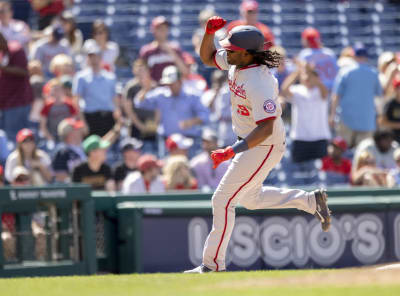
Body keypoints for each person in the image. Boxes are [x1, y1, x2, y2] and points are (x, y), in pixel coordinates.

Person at [184, 17, 331, 273]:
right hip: (252, 141)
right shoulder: (236, 61)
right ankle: (310, 201)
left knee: (222, 200)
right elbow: (207, 58)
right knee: (250, 199)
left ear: (248, 54)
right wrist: (209, 33)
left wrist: (232, 151)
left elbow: (266, 128)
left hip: (265, 144)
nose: (225, 51)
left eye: (232, 49)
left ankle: (212, 265)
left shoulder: (261, 82)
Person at [136, 65, 209, 157]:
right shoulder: (161, 94)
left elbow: (205, 116)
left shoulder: (192, 96)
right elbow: (140, 103)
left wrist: (191, 122)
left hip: (188, 142)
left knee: (189, 169)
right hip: (167, 142)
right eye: (168, 84)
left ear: (180, 81)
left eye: (172, 83)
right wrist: (146, 89)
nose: (170, 86)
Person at [330, 42, 382, 149]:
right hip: (367, 120)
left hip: (347, 119)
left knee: (342, 152)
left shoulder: (345, 72)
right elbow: (378, 98)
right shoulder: (373, 73)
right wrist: (379, 115)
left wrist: (332, 115)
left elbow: (336, 96)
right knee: (364, 154)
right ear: (366, 57)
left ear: (354, 55)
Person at [280, 61, 330, 163]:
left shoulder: (320, 90)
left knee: (321, 175)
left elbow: (325, 93)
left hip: (320, 138)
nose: (307, 78)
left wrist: (311, 73)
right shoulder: (297, 90)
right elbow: (284, 89)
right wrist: (298, 72)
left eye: (310, 75)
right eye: (305, 76)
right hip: (300, 138)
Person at [73, 43, 120, 137]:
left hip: (108, 118)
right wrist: (82, 122)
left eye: (96, 56)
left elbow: (115, 99)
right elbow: (76, 101)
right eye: (91, 56)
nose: (94, 59)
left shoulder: (110, 77)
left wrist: (118, 120)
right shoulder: (81, 77)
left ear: (101, 57)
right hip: (90, 118)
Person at [0, 32, 33, 142]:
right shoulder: (2, 52)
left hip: (17, 102)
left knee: (14, 137)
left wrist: (3, 67)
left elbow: (24, 71)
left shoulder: (16, 49)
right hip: (4, 103)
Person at [122, 59, 157, 152]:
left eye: (143, 70)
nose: (141, 73)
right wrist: (140, 126)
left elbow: (160, 107)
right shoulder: (130, 88)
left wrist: (156, 123)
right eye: (138, 70)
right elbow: (128, 110)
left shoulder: (155, 87)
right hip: (136, 128)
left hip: (153, 127)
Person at [139, 15, 189, 82]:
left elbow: (185, 72)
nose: (163, 31)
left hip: (172, 88)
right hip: (153, 89)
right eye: (160, 28)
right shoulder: (147, 51)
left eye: (165, 28)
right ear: (153, 30)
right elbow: (141, 73)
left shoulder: (175, 48)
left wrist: (171, 52)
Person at [39, 78, 79, 142]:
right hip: (52, 137)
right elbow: (43, 126)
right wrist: (50, 138)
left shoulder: (69, 104)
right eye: (54, 90)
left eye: (58, 89)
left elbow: (74, 122)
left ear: (62, 90)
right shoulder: (47, 106)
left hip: (67, 137)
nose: (56, 92)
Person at [52, 117, 86, 183]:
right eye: (77, 129)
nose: (80, 131)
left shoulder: (84, 147)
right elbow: (60, 177)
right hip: (72, 188)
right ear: (69, 132)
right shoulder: (62, 152)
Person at [379, 76, 400, 143]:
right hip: (392, 138)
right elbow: (382, 122)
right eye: (398, 88)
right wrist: (397, 125)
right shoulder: (390, 104)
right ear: (395, 89)